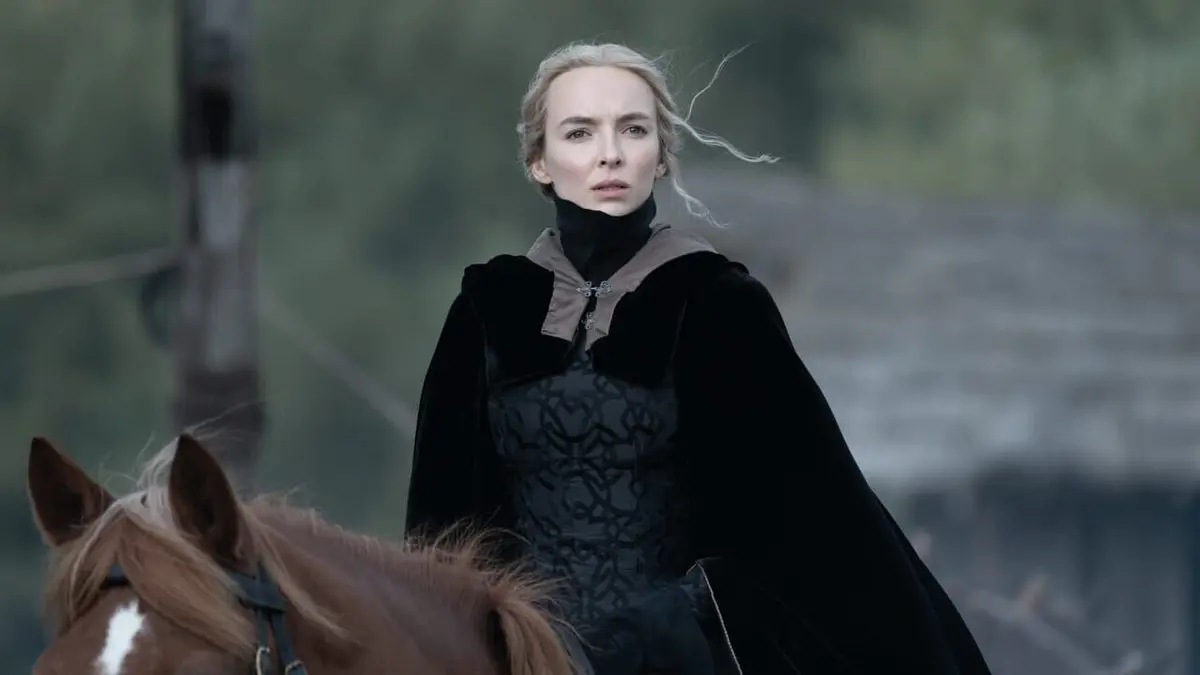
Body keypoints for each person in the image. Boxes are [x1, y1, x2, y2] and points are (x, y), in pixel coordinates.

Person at [404, 41, 992, 675]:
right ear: (539, 162)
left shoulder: (717, 303)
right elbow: (441, 533)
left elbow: (812, 521)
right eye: (580, 133)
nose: (610, 153)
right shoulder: (488, 310)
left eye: (634, 129)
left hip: (684, 659)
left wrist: (670, 624)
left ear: (660, 155)